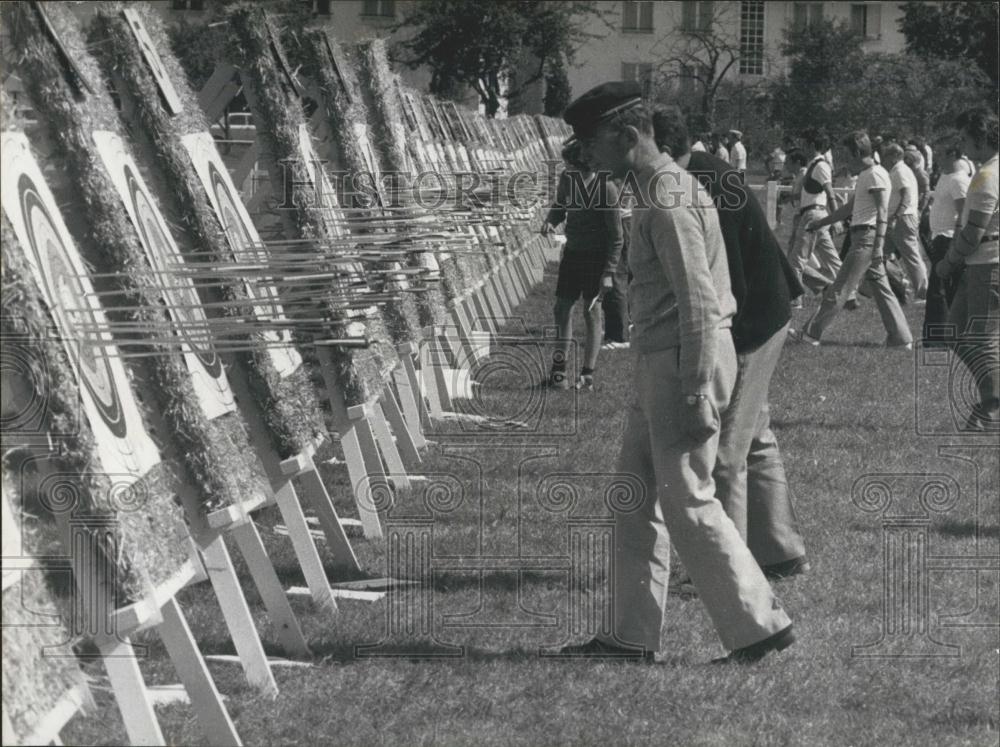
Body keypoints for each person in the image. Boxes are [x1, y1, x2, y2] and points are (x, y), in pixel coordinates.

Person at [558, 81, 794, 664]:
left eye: (590, 143)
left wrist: (693, 390)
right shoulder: (659, 189)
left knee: (688, 498)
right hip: (663, 360)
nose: (585, 155)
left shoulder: (666, 200)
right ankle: (629, 636)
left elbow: (699, 300)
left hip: (682, 363)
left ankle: (759, 625)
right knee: (633, 497)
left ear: (627, 134)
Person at [652, 105, 809, 579]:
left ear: (661, 150)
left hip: (753, 320)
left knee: (726, 454)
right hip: (761, 310)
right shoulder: (697, 175)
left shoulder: (704, 184)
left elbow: (728, 280)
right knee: (755, 436)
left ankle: (728, 572)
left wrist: (725, 354)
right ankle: (781, 551)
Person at [792, 131, 913, 349]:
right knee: (883, 292)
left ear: (857, 153)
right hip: (864, 236)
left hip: (866, 238)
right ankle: (901, 338)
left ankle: (810, 334)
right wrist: (823, 222)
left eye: (847, 156)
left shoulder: (874, 174)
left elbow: (882, 211)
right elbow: (851, 207)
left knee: (839, 289)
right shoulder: (868, 174)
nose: (844, 162)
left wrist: (877, 246)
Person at [934, 107, 999, 430]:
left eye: (964, 137)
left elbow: (974, 231)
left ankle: (992, 407)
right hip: (981, 262)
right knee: (957, 333)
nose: (960, 144)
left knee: (980, 338)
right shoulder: (988, 169)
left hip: (988, 263)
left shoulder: (988, 175)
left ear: (981, 136)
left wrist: (948, 262)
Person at [541, 139, 624, 390]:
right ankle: (559, 374)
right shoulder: (568, 179)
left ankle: (587, 374)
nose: (568, 170)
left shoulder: (606, 187)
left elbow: (616, 236)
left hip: (596, 257)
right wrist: (551, 221)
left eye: (572, 165)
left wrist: (609, 272)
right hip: (573, 253)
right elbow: (560, 206)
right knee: (561, 309)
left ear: (585, 164)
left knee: (591, 312)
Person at [923, 142, 972, 345]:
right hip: (939, 236)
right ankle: (951, 334)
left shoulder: (959, 180)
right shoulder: (945, 177)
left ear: (952, 154)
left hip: (949, 238)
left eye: (940, 153)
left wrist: (957, 243)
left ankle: (938, 337)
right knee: (944, 289)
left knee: (938, 288)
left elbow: (963, 213)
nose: (936, 158)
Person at [786, 133, 842, 303]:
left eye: (804, 143)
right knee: (832, 259)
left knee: (796, 260)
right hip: (812, 214)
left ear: (811, 145)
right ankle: (847, 289)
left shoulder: (820, 166)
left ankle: (795, 300)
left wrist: (836, 219)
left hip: (813, 215)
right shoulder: (813, 165)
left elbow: (830, 192)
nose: (802, 147)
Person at [883, 142, 929, 300]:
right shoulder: (899, 170)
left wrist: (895, 217)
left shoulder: (900, 171)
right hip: (900, 217)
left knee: (911, 256)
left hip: (902, 218)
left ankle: (923, 292)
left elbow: (906, 195)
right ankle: (875, 288)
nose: (883, 159)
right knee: (881, 254)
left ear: (894, 156)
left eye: (886, 156)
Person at [601, 186, 632, 349]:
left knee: (615, 277)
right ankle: (626, 328)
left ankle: (618, 335)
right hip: (629, 219)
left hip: (620, 220)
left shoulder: (614, 170)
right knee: (625, 278)